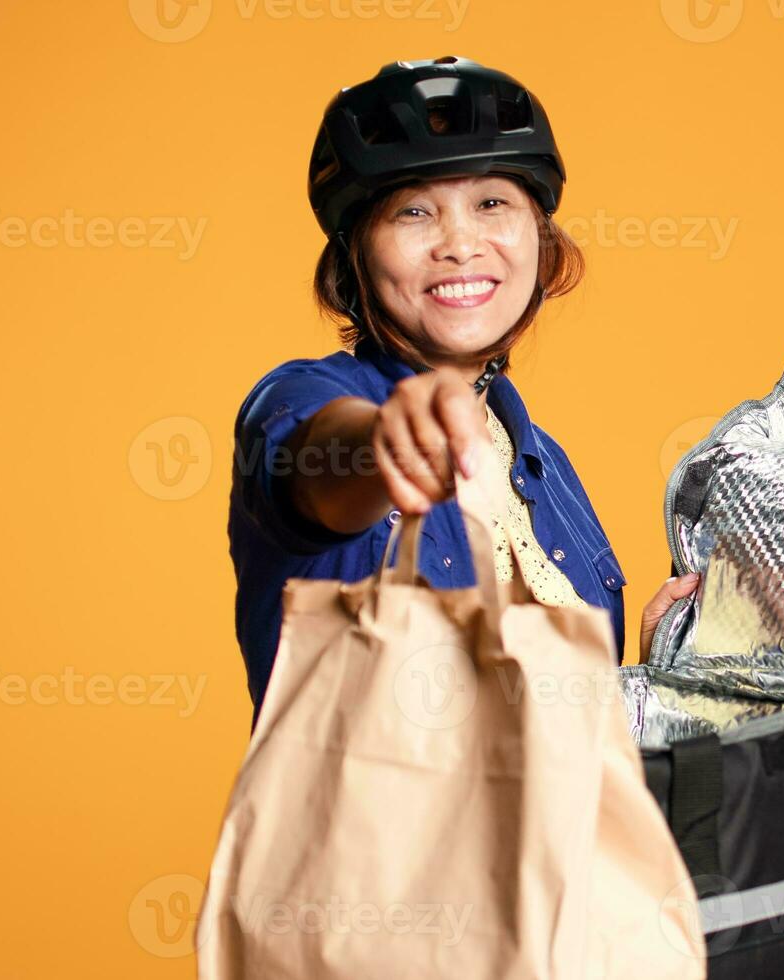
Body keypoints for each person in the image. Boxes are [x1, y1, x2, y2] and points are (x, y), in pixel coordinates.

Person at [228, 56, 699, 719]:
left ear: (540, 238)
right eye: (414, 211)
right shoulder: (301, 400)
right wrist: (383, 441)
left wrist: (653, 679)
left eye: (491, 203)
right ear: (355, 254)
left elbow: (539, 742)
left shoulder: (542, 461)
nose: (460, 243)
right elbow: (313, 468)